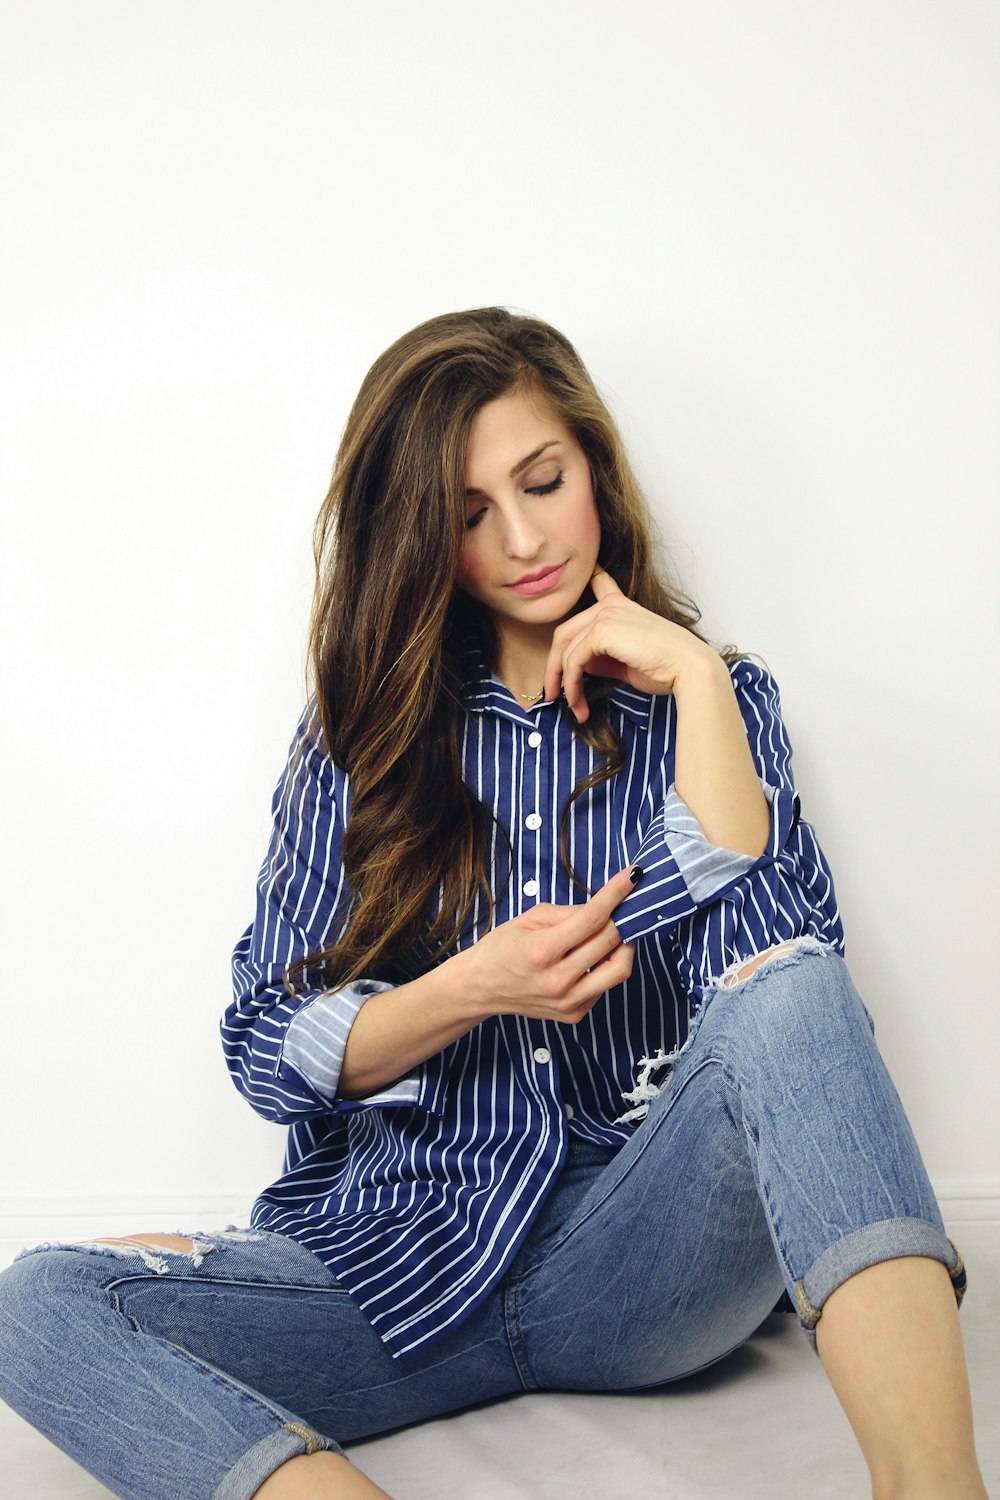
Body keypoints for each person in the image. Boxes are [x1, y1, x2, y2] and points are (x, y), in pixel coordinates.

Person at [0, 307, 988, 1500]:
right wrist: (468, 990)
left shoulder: (714, 705)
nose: (521, 538)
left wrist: (697, 681)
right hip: (387, 1273)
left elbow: (787, 1003)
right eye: (469, 513)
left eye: (542, 481)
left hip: (635, 1264)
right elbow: (264, 1042)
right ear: (420, 536)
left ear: (594, 471)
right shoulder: (356, 744)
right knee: (36, 1304)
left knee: (795, 989)